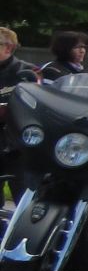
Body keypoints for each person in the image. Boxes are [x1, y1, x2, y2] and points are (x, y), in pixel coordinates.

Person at [0, 28, 40, 204]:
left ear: (8, 48)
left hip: (17, 144)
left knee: (23, 197)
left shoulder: (29, 71)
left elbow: (35, 106)